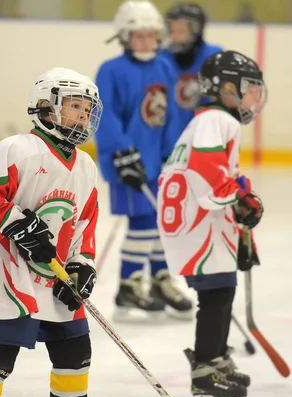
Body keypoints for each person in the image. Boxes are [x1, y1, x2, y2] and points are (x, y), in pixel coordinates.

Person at [0, 67, 103, 397]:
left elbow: (84, 223)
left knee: (76, 355)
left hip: (56, 279)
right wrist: (15, 222)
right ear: (46, 107)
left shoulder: (85, 166)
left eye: (87, 109)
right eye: (74, 106)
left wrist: (82, 263)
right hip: (8, 275)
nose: (82, 116)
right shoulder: (17, 149)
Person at [157, 50, 268, 397]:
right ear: (226, 87)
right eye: (248, 88)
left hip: (203, 219)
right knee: (217, 293)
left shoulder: (211, 119)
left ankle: (216, 359)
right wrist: (236, 197)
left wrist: (239, 203)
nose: (253, 96)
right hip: (199, 221)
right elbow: (207, 172)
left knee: (222, 289)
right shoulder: (217, 120)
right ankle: (205, 370)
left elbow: (220, 175)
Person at [95, 0, 193, 320]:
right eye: (138, 36)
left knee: (162, 223)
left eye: (151, 35)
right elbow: (104, 114)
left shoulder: (163, 67)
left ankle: (160, 278)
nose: (146, 42)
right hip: (126, 162)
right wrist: (121, 151)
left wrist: (173, 153)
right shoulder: (111, 70)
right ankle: (129, 283)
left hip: (157, 161)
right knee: (142, 222)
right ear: (124, 37)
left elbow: (169, 115)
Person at [162, 3, 224, 129]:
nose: (174, 36)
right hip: (171, 136)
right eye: (172, 31)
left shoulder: (213, 57)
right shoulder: (162, 58)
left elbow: (220, 104)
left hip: (202, 135)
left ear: (196, 31)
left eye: (181, 31)